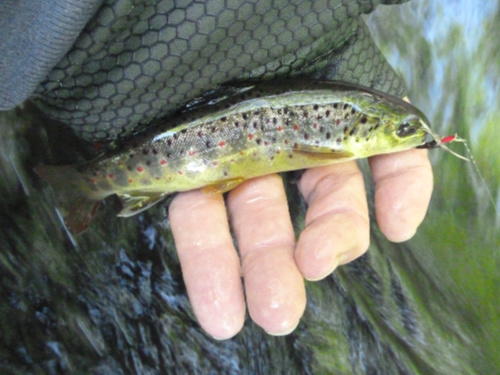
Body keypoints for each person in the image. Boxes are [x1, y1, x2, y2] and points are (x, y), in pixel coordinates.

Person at [0, 0, 432, 340]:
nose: (411, 133)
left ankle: (88, 183)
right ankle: (86, 185)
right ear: (360, 129)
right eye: (402, 130)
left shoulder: (348, 122)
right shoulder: (336, 139)